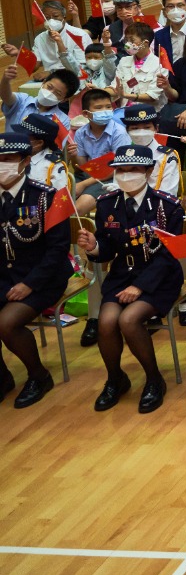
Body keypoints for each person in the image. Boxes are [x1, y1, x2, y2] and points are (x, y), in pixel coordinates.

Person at [77, 145, 185, 413]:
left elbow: (170, 255)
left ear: (148, 171)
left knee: (128, 319)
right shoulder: (107, 203)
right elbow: (108, 248)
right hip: (122, 275)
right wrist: (93, 246)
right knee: (106, 322)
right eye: (121, 170)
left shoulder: (167, 206)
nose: (126, 175)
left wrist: (140, 287)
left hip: (160, 278)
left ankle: (154, 380)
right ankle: (115, 379)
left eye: (133, 169)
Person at [0, 130, 74, 408]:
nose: (3, 164)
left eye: (9, 159)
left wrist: (29, 283)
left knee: (6, 323)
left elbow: (58, 249)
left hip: (43, 278)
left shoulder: (46, 197)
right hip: (4, 277)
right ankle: (2, 377)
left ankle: (38, 376)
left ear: (25, 161)